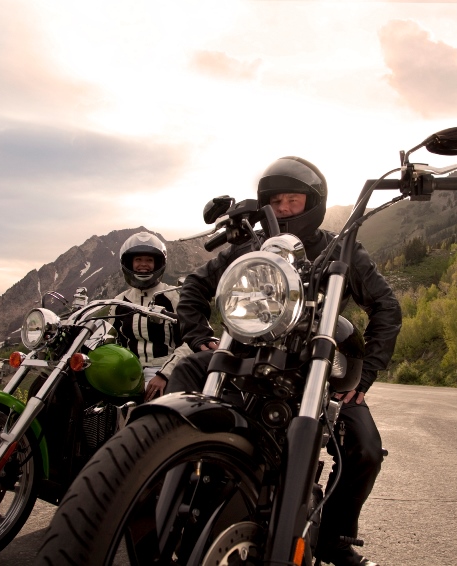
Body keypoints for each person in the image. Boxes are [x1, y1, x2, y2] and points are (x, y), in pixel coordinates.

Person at [167, 157, 402, 566]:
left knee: (364, 448)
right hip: (245, 359)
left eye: (292, 200)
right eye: (275, 202)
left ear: (313, 203)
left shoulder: (341, 249)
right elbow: (195, 287)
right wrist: (199, 337)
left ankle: (335, 537)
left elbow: (386, 306)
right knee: (186, 375)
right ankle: (155, 489)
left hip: (315, 370)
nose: (282, 209)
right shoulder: (249, 249)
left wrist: (367, 377)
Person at [110, 231, 192, 401]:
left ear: (157, 264)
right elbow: (109, 340)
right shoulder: (119, 302)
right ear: (129, 263)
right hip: (128, 375)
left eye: (149, 260)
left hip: (166, 373)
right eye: (138, 260)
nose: (143, 265)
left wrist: (164, 374)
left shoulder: (174, 297)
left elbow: (191, 340)